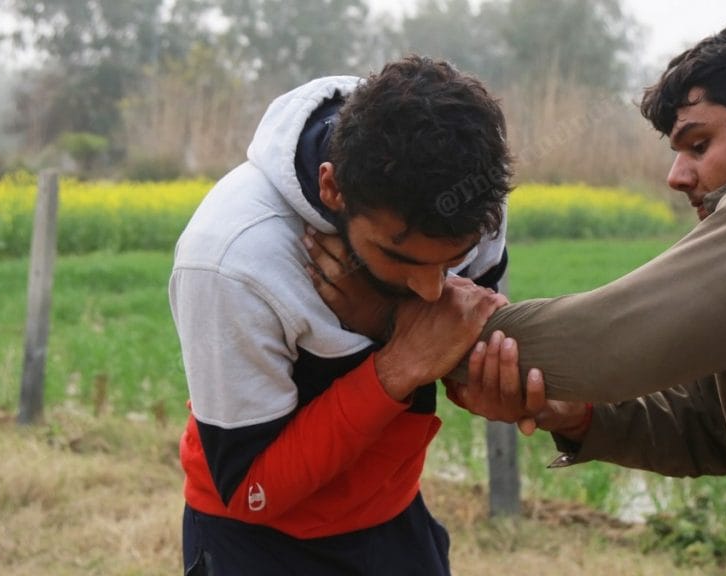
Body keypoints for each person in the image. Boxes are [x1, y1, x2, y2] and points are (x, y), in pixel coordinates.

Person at [307, 22, 726, 575]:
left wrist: (396, 315)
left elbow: (605, 342)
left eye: (698, 145)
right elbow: (714, 426)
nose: (676, 175)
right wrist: (578, 414)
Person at [168, 56, 512, 575]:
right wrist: (396, 365)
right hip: (256, 542)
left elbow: (468, 355)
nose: (431, 288)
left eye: (452, 262)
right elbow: (251, 492)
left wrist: (384, 320)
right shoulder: (232, 257)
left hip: (391, 514)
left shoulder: (470, 204)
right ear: (332, 188)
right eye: (400, 259)